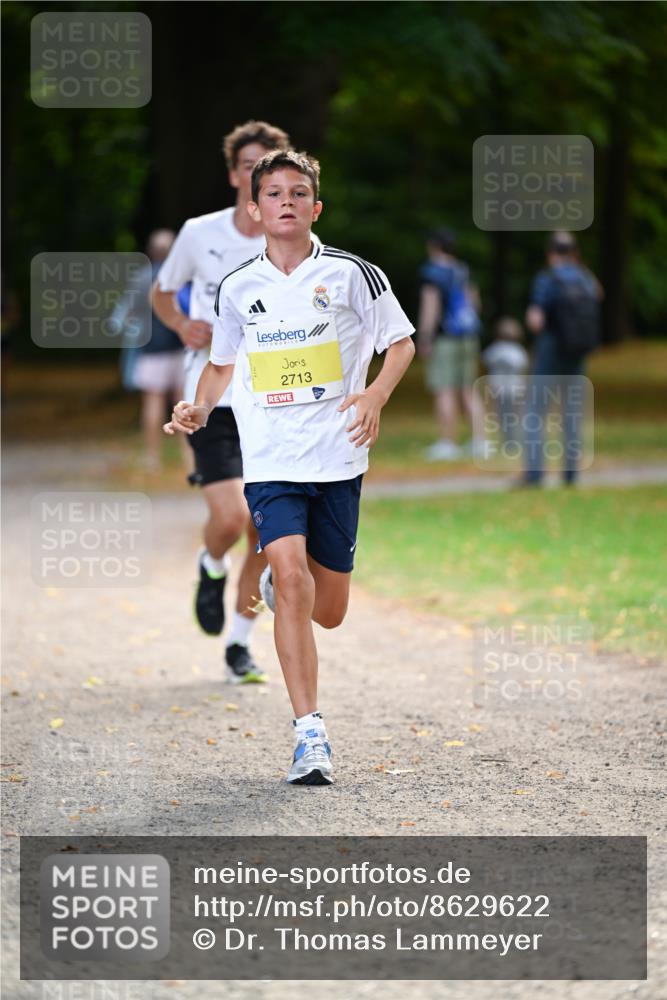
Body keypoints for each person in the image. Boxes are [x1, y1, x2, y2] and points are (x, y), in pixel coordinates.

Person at [164, 149, 415, 785]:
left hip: (337, 456)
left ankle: (285, 594)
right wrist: (198, 406)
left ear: (316, 207)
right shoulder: (238, 284)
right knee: (291, 573)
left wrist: (375, 395)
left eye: (298, 193)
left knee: (328, 609)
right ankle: (310, 734)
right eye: (273, 193)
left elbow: (401, 343)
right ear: (254, 208)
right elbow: (222, 361)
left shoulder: (355, 275)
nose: (285, 202)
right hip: (271, 457)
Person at [152, 121, 291, 684]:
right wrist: (182, 322)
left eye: (269, 167)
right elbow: (162, 291)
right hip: (210, 394)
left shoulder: (288, 235)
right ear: (236, 174)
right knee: (232, 518)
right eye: (249, 165)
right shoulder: (199, 232)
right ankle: (210, 565)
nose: (259, 175)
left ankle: (240, 642)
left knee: (267, 531)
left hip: (275, 397)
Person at [521, 231, 602, 487]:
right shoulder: (586, 278)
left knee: (536, 411)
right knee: (571, 413)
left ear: (551, 253)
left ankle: (535, 474)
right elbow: (599, 296)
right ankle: (571, 475)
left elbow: (536, 319)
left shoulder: (548, 279)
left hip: (551, 349)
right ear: (575, 253)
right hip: (576, 352)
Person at [111, 230, 188, 472]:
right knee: (183, 404)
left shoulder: (142, 278)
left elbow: (127, 313)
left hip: (151, 349)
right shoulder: (181, 278)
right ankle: (189, 458)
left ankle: (153, 458)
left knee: (153, 402)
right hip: (181, 347)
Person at [416, 227, 483, 461]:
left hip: (445, 338)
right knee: (467, 388)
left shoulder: (432, 272)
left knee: (444, 388)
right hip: (468, 335)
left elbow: (431, 306)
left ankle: (448, 442)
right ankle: (479, 441)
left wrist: (425, 336)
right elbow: (474, 302)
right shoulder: (462, 269)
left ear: (434, 246)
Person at [482, 317, 529, 453]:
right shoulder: (519, 351)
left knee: (503, 417)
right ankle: (514, 440)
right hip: (515, 390)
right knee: (515, 417)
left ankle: (508, 440)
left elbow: (485, 361)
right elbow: (523, 367)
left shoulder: (494, 350)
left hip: (499, 390)